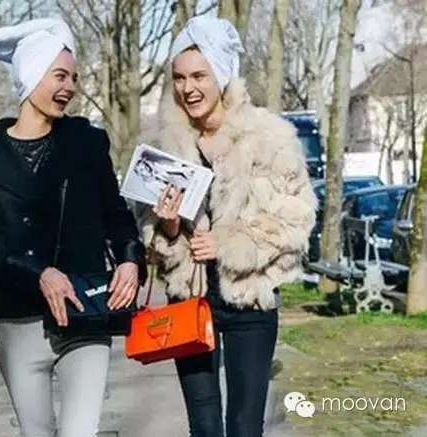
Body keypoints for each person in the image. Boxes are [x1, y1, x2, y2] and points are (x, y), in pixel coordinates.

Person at [0, 18, 147, 437]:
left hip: (85, 313)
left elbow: (116, 214)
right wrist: (39, 273)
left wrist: (131, 259)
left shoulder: (86, 143)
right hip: (19, 320)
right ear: (31, 75)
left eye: (73, 78)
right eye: (60, 76)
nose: (70, 87)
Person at [134, 15, 317, 437]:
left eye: (199, 75)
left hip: (250, 304)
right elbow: (151, 241)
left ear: (222, 75)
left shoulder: (269, 138)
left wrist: (230, 244)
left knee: (244, 427)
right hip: (188, 304)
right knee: (203, 427)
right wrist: (168, 228)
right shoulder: (164, 148)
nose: (188, 88)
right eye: (179, 77)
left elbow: (297, 220)